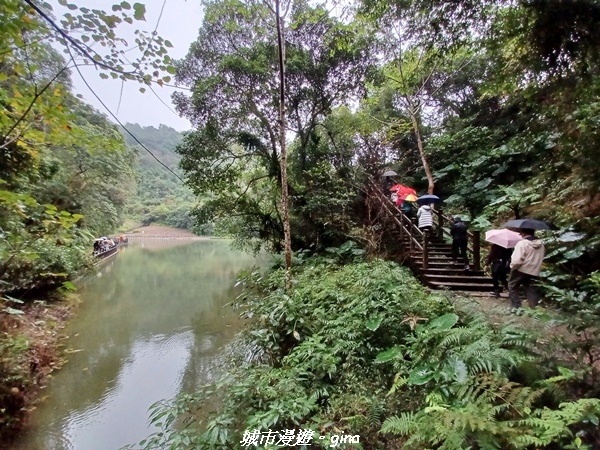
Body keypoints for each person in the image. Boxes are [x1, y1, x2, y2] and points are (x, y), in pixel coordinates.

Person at [508, 228, 545, 311]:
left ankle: (516, 308)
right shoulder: (541, 244)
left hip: (521, 269)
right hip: (534, 270)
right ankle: (534, 309)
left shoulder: (522, 243)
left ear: (524, 233)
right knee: (531, 289)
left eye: (521, 233)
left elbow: (517, 260)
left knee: (512, 287)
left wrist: (513, 267)